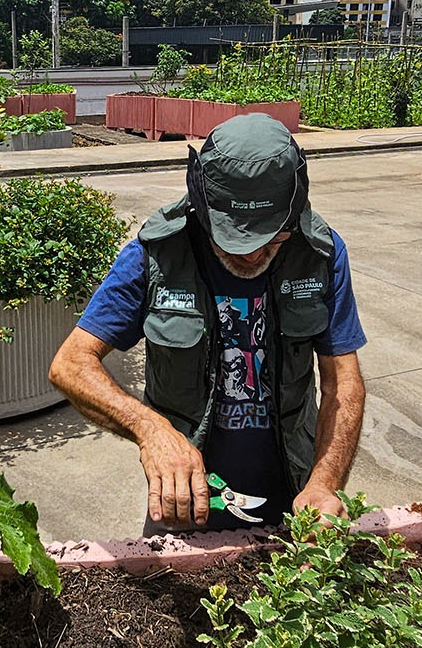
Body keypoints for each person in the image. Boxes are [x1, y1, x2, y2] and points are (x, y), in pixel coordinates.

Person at [48, 114, 367, 532]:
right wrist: (151, 431)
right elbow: (70, 365)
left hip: (295, 493)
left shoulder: (320, 251)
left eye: (270, 239)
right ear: (201, 204)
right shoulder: (157, 253)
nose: (252, 255)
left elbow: (342, 381)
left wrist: (325, 484)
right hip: (185, 501)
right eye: (233, 237)